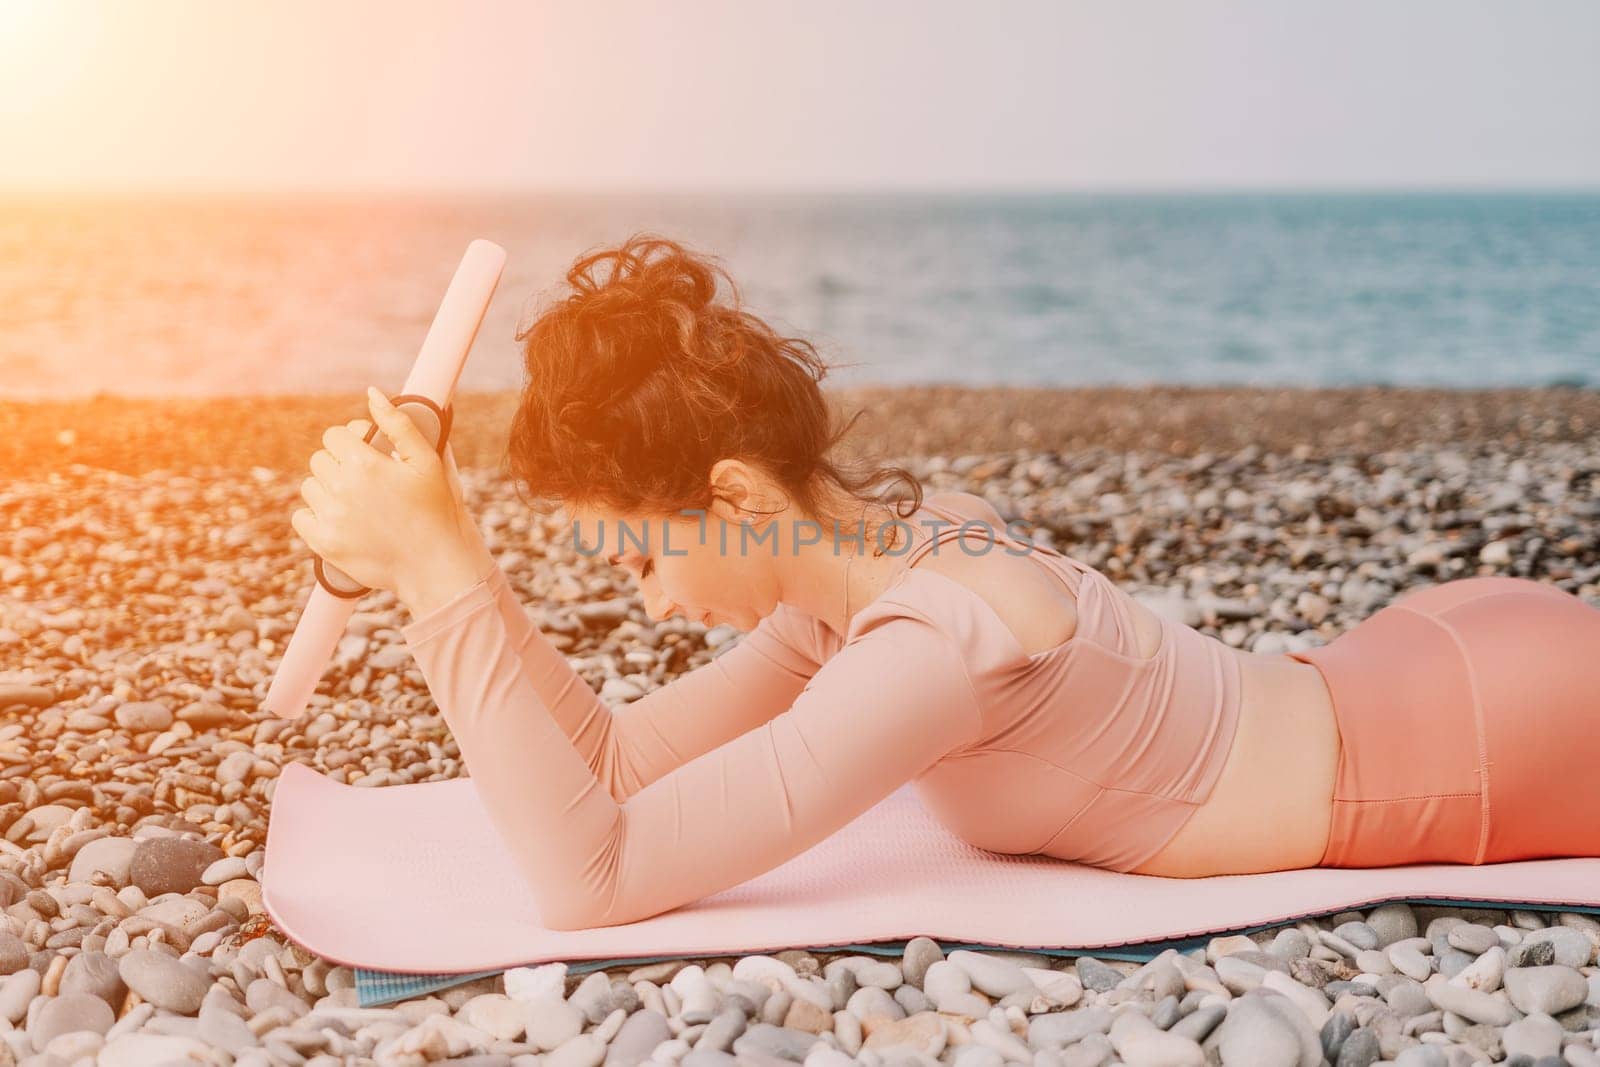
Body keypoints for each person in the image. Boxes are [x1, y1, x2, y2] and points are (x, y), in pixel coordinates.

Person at [289, 234, 1600, 932]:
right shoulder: (871, 582)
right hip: (1422, 662)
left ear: (737, 499)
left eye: (641, 550)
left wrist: (438, 571)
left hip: (1482, 742)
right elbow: (622, 771)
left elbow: (595, 877)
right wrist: (442, 555)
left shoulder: (942, 644)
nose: (650, 599)